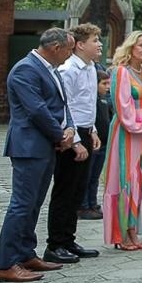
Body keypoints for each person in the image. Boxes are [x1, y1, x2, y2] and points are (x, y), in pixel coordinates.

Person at [0, 28, 78, 282]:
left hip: (46, 146)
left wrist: (70, 128)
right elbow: (37, 110)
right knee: (21, 205)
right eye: (69, 49)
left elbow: (63, 104)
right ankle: (6, 264)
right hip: (29, 147)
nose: (69, 54)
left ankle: (26, 253)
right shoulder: (25, 69)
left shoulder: (50, 69)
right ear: (55, 46)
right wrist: (60, 136)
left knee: (33, 204)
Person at [103, 30, 142, 252]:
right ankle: (122, 234)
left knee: (141, 182)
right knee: (125, 181)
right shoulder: (121, 72)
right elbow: (122, 108)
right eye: (141, 45)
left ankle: (134, 230)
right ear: (130, 47)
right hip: (127, 134)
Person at [46, 24, 103, 263]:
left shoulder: (91, 68)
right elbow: (63, 106)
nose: (100, 44)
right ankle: (55, 244)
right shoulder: (69, 69)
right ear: (80, 44)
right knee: (65, 190)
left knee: (78, 191)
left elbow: (88, 104)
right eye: (95, 40)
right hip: (71, 135)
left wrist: (93, 131)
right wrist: (76, 141)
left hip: (85, 131)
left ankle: (69, 239)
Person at [79, 64, 113, 220]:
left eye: (109, 84)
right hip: (94, 143)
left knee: (95, 177)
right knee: (87, 176)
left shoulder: (106, 100)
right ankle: (84, 205)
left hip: (104, 144)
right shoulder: (92, 100)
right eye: (104, 84)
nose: (107, 87)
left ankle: (93, 203)